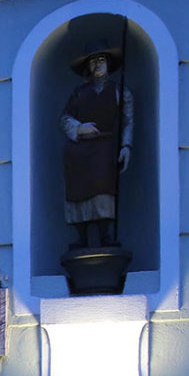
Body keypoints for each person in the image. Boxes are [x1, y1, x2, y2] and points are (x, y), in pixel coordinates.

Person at [60, 38, 133, 250]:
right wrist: (78, 127)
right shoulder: (79, 93)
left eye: (101, 59)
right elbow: (63, 118)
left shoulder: (121, 91)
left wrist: (126, 146)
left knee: (103, 190)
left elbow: (129, 121)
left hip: (104, 148)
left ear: (108, 63)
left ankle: (105, 236)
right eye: (93, 61)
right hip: (78, 151)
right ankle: (81, 238)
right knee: (77, 192)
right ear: (88, 67)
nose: (97, 64)